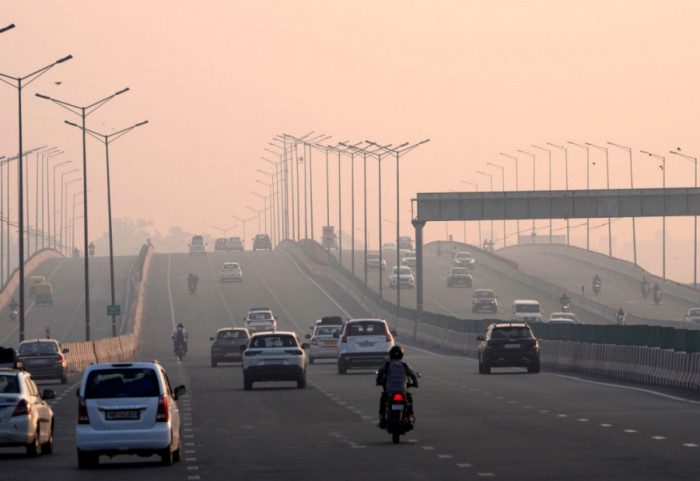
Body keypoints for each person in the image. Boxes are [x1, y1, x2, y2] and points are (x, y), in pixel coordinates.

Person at [375, 345, 419, 429]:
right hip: (402, 389)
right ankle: (409, 417)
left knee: (383, 399)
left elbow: (380, 374)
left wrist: (378, 382)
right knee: (409, 400)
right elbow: (413, 375)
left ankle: (382, 418)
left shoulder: (387, 365)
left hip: (389, 390)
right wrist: (415, 383)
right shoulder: (404, 365)